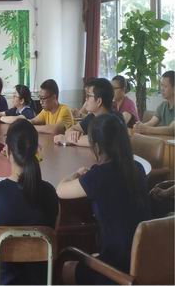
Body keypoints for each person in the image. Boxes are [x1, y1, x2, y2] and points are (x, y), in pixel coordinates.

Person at [56, 114, 149, 284]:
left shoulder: (98, 176)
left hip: (117, 270)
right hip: (144, 261)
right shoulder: (138, 168)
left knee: (66, 266)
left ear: (97, 147)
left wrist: (75, 174)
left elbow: (60, 190)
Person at [0, 120, 59, 285]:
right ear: (37, 149)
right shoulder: (51, 193)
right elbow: (53, 235)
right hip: (41, 280)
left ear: (7, 150)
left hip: (4, 280)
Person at [55, 78, 123, 147]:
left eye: (89, 96)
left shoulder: (114, 119)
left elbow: (96, 141)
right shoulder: (92, 116)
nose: (86, 99)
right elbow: (70, 130)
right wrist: (72, 134)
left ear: (99, 101)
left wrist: (69, 139)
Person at [134, 70, 174, 137]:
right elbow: (151, 123)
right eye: (161, 85)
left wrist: (146, 129)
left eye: (165, 86)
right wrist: (139, 126)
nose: (162, 89)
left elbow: (171, 130)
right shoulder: (163, 105)